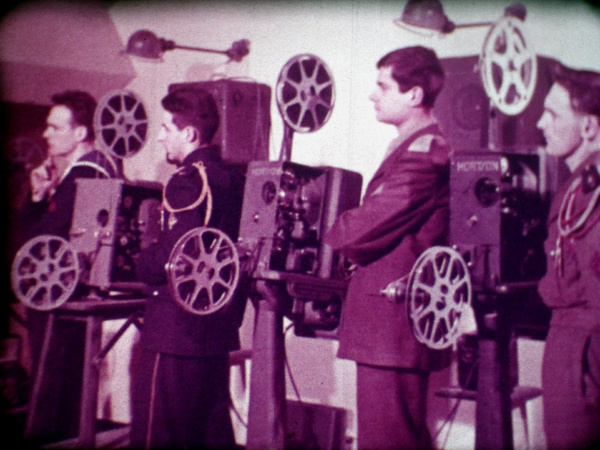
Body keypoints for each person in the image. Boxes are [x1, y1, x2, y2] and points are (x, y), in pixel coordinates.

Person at [325, 46, 452, 449]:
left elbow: (368, 225)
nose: (372, 95)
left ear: (414, 94)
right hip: (386, 326)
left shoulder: (424, 155)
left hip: (392, 325)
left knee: (388, 440)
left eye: (383, 86)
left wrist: (328, 228)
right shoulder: (410, 148)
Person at [130, 87, 245, 449]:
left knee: (157, 437)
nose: (160, 137)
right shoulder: (234, 180)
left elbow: (173, 258)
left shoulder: (187, 181)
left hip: (174, 334)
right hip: (215, 334)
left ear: (190, 134)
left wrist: (139, 259)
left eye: (167, 128)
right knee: (210, 436)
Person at [19, 90, 120, 443]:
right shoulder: (100, 170)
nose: (45, 134)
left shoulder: (83, 177)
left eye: (55, 127)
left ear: (80, 133)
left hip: (58, 301)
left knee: (52, 394)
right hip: (71, 295)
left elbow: (35, 243)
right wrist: (39, 196)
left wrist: (36, 202)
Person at [536, 63, 600, 449]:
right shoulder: (576, 188)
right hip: (571, 348)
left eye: (553, 114)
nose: (540, 123)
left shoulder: (591, 192)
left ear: (589, 127)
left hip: (583, 356)